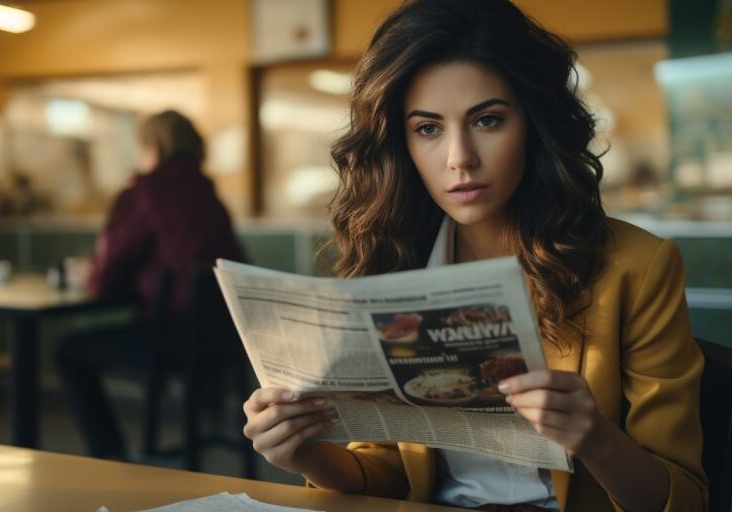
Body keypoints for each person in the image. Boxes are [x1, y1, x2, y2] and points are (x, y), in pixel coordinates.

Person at [240, 1, 707, 511]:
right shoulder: (395, 264)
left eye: (487, 120)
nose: (459, 158)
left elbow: (685, 500)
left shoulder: (638, 268)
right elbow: (391, 477)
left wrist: (595, 436)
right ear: (402, 143)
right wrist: (305, 454)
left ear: (534, 123)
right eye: (428, 128)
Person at [56, 110, 243, 460]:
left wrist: (92, 271)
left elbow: (104, 280)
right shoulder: (209, 195)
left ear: (153, 147)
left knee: (68, 351)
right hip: (221, 342)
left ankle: (110, 456)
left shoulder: (144, 191)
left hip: (169, 339)